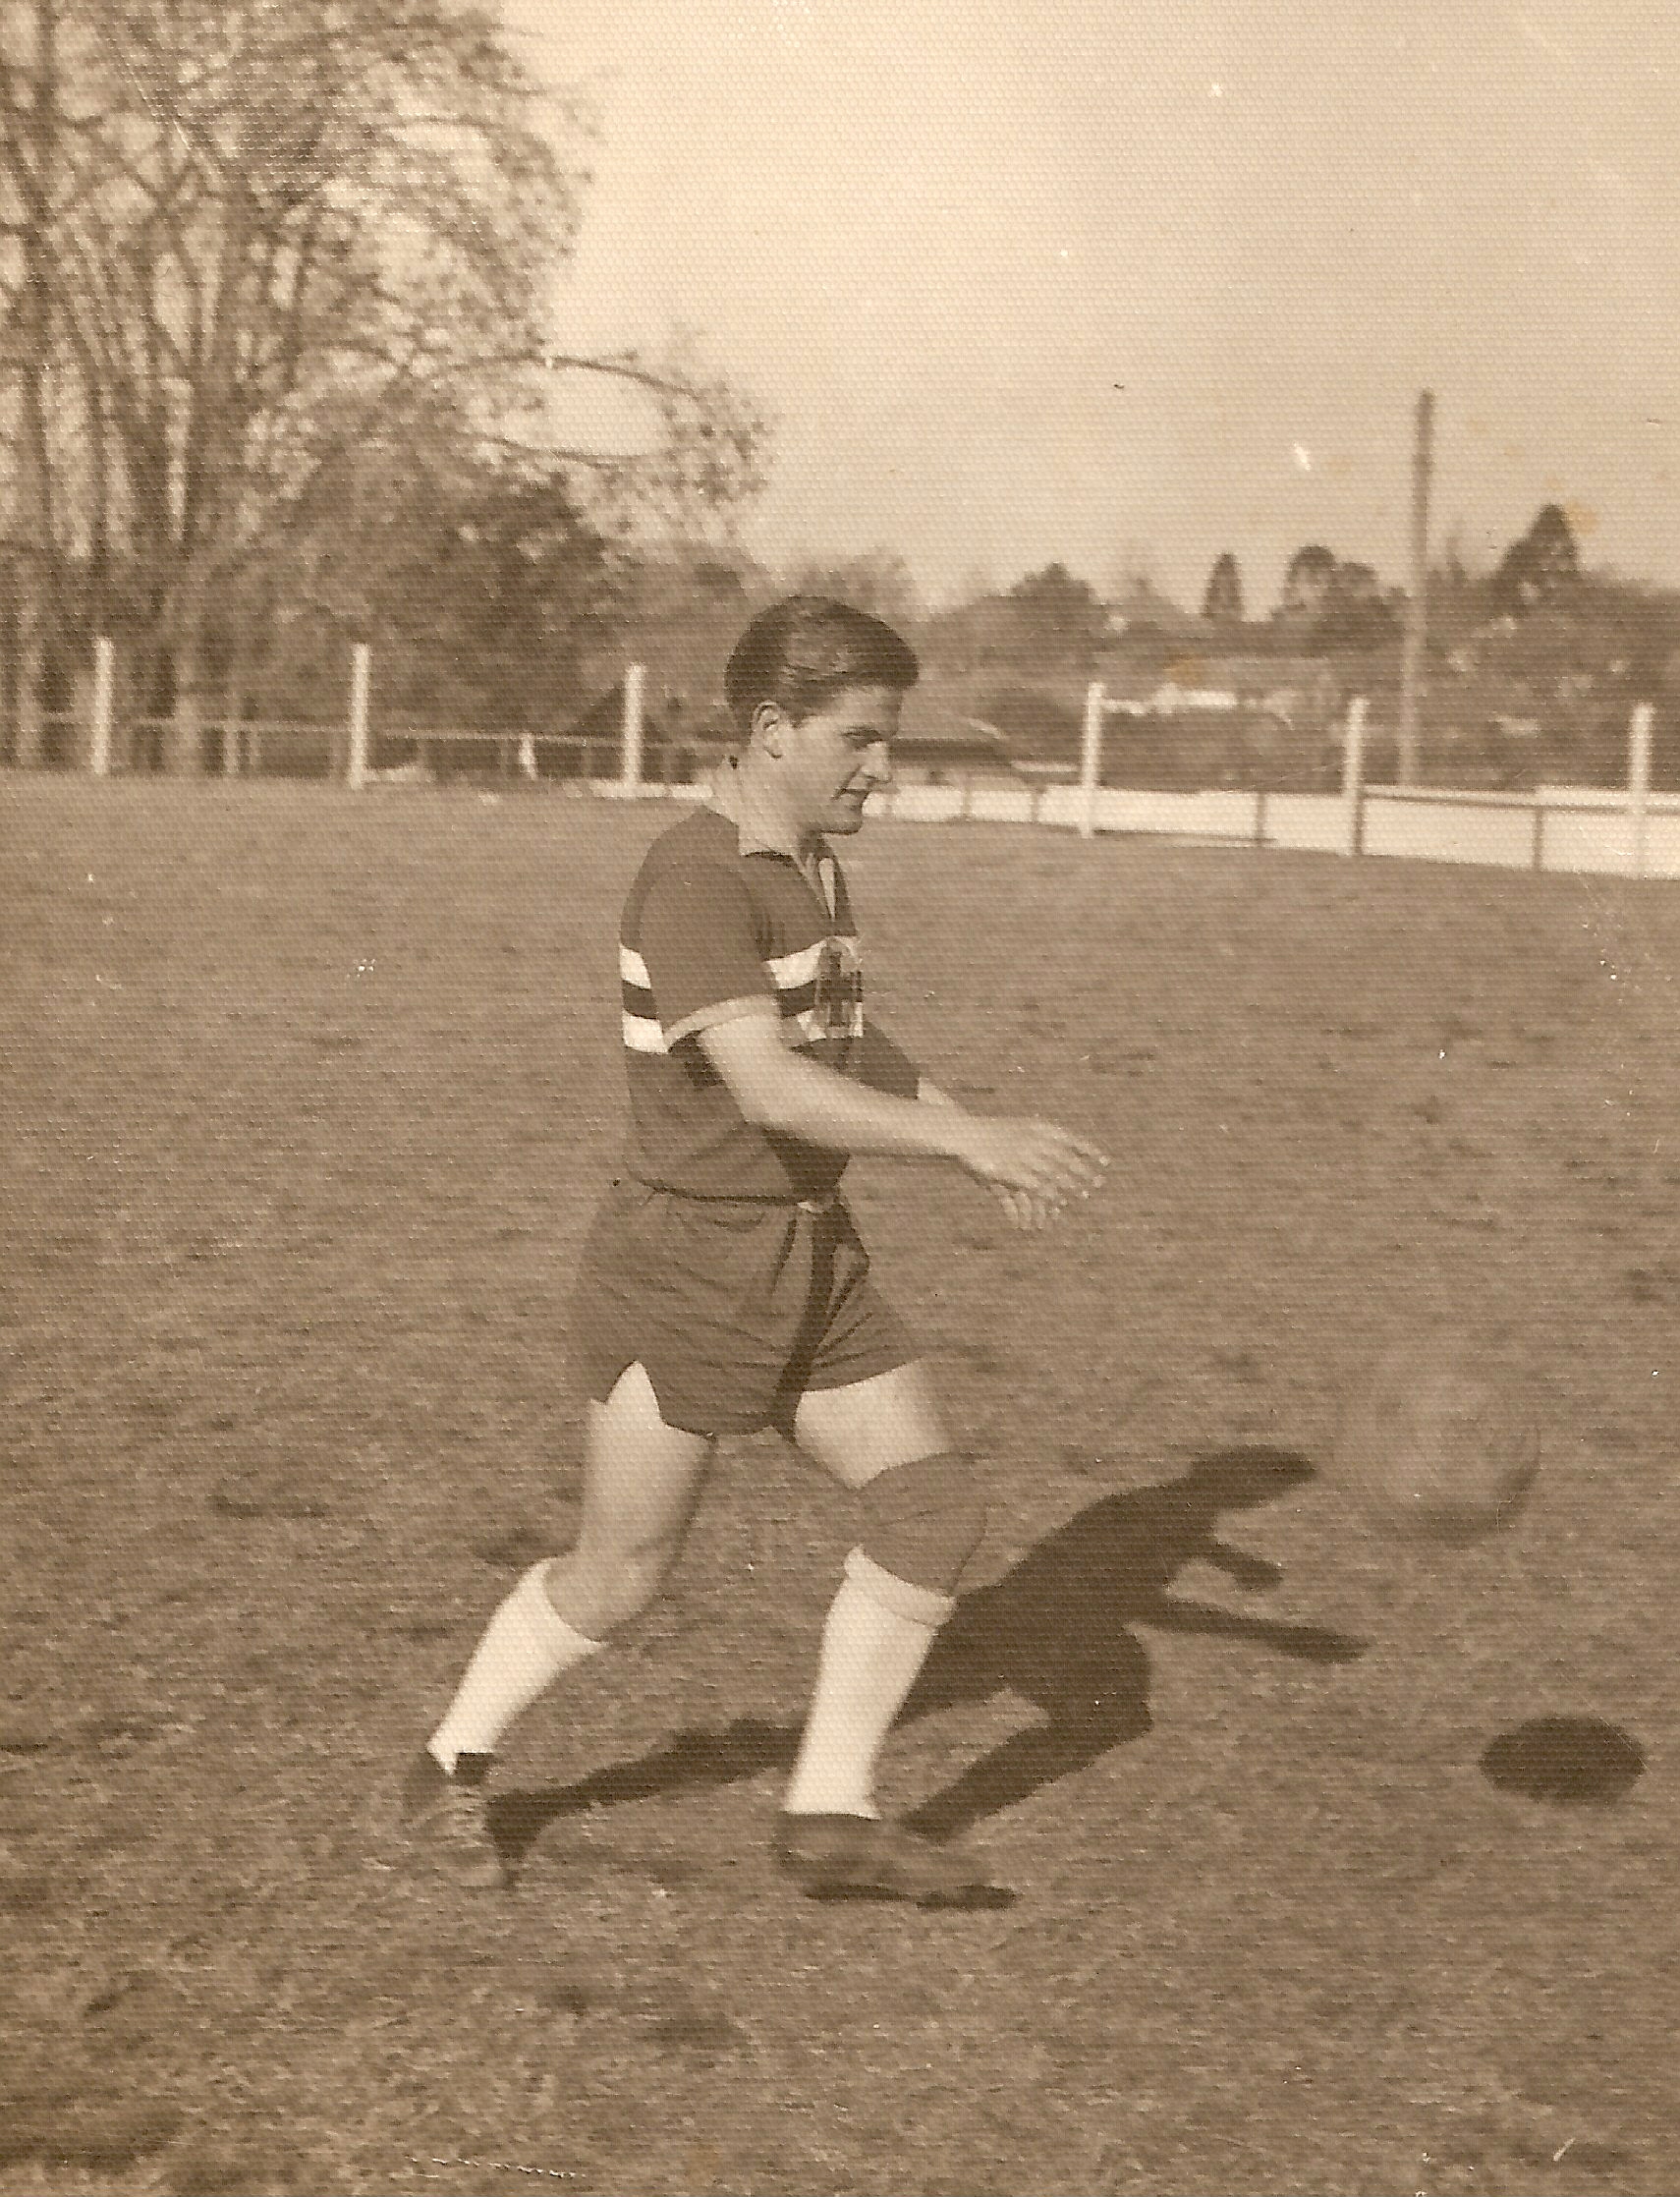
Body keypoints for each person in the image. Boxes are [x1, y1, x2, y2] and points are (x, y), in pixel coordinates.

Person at [401, 596, 1106, 1904]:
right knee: (621, 1576)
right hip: (689, 1265)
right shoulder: (697, 878)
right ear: (774, 729)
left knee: (932, 1510)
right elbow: (770, 1087)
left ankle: (828, 1815)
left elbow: (843, 1039)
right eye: (860, 740)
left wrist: (971, 1134)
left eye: (888, 740)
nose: (882, 768)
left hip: (808, 1255)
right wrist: (966, 1144)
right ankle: (449, 1766)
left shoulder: (808, 864)